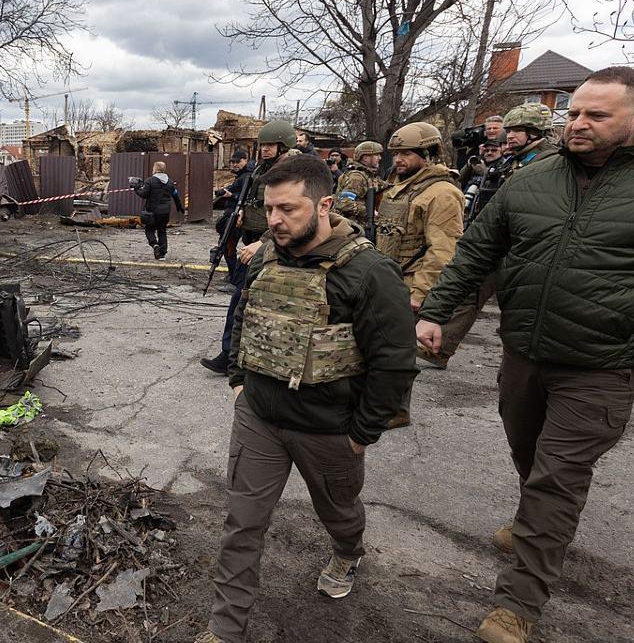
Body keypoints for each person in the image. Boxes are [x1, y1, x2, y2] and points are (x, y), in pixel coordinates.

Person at [416, 66, 634, 643]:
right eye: (574, 112)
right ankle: (532, 522)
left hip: (602, 365)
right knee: (529, 456)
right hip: (524, 353)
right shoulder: (533, 178)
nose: (578, 124)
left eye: (596, 115)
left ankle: (517, 605)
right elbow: (476, 252)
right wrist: (435, 312)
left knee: (557, 478)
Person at [196, 155, 417, 643]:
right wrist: (238, 381)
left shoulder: (370, 273)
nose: (274, 220)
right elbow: (242, 316)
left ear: (325, 205)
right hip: (259, 418)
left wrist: (361, 434)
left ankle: (348, 552)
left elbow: (395, 363)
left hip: (329, 428)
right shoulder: (266, 257)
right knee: (241, 525)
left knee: (339, 513)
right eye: (270, 208)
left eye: (288, 209)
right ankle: (225, 629)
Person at [428, 105, 556, 369]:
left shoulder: (551, 162)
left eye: (519, 130)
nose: (510, 136)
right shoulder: (512, 160)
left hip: (528, 247)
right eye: (510, 130)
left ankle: (524, 367)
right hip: (496, 240)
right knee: (470, 292)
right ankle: (437, 349)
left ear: (536, 132)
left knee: (522, 308)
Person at [374, 121, 463, 421]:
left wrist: (420, 293)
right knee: (380, 348)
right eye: (396, 154)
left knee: (398, 354)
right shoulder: (402, 187)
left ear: (428, 154)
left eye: (407, 154)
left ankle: (395, 411)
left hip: (410, 285)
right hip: (388, 280)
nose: (399, 160)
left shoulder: (442, 193)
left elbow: (443, 251)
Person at [200, 121, 295, 374]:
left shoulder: (292, 172)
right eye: (263, 145)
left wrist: (262, 242)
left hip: (276, 245)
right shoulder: (262, 169)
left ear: (284, 145)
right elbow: (252, 198)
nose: (265, 149)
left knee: (246, 300)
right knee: (245, 300)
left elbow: (290, 215)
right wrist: (242, 211)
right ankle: (236, 355)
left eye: (271, 145)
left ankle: (235, 356)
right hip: (254, 240)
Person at [214, 148, 253, 290]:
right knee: (227, 247)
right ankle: (234, 276)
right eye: (233, 162)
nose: (235, 164)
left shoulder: (247, 176)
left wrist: (232, 195)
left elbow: (246, 198)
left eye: (238, 162)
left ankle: (235, 280)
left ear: (245, 160)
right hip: (232, 214)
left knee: (228, 247)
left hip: (237, 217)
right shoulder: (242, 176)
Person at [133, 161, 184, 260]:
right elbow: (175, 195)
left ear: (156, 169)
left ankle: (154, 245)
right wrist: (179, 207)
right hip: (165, 212)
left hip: (152, 211)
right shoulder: (170, 182)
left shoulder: (150, 181)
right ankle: (162, 254)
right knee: (162, 231)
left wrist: (136, 188)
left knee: (149, 230)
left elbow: (144, 194)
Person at [334, 140, 382, 229]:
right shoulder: (356, 177)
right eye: (376, 155)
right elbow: (345, 204)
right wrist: (370, 212)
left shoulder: (366, 174)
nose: (380, 158)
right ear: (365, 158)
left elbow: (378, 185)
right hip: (353, 227)